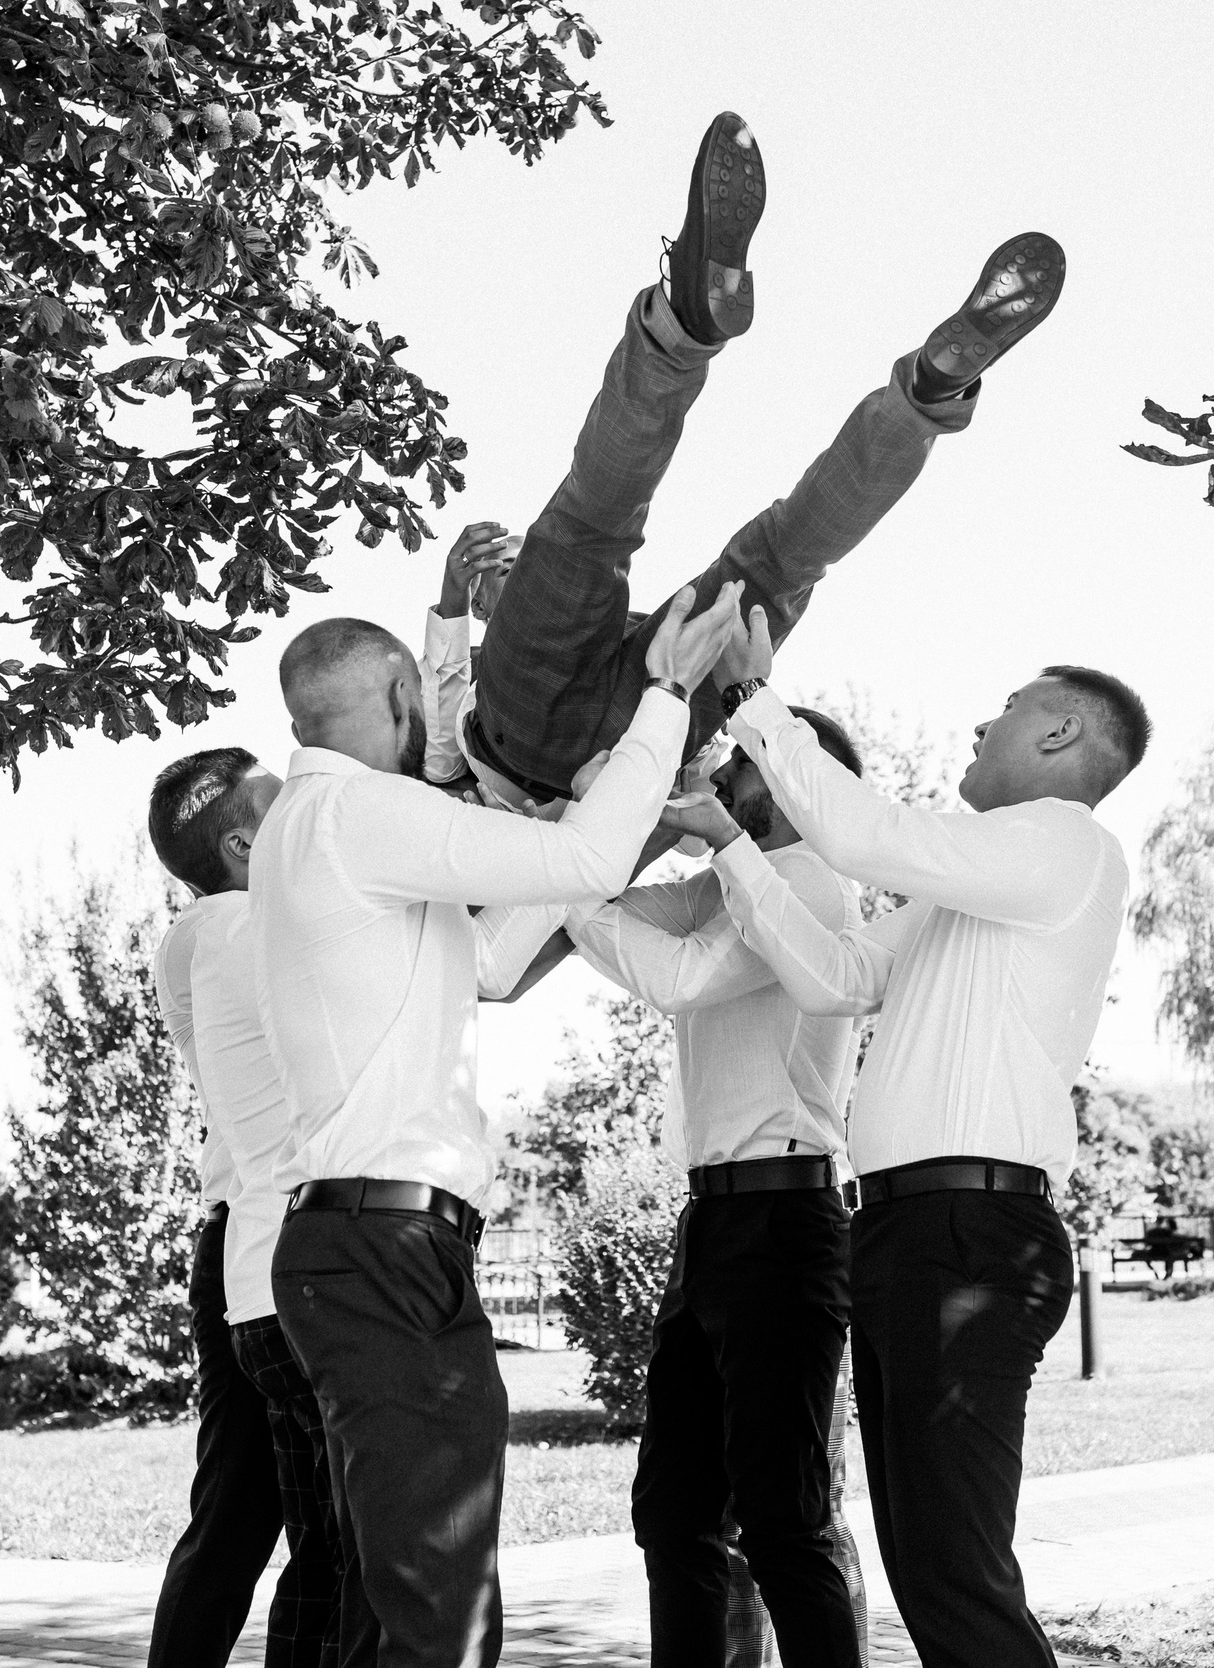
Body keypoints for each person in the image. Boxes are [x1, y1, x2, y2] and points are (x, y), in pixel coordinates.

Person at [252, 582, 743, 1668]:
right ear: (394, 692)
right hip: (381, 1250)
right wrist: (661, 702)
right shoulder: (362, 814)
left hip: (368, 1244)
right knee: (438, 1603)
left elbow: (486, 960)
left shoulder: (318, 828)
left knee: (398, 1597)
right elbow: (574, 868)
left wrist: (625, 821)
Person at [661, 609, 1147, 1668]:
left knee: (956, 1578)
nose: (979, 726)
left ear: (1061, 738)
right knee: (932, 1572)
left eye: (1008, 712)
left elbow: (866, 834)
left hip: (970, 1233)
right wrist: (736, 846)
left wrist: (755, 700)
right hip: (905, 1236)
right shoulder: (958, 902)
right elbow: (834, 978)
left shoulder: (1065, 844)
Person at [429, 109, 1066, 811]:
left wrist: (468, 602)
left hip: (623, 748)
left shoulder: (526, 655)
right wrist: (460, 603)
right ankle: (700, 333)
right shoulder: (476, 687)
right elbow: (437, 738)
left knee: (780, 561)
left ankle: (923, 397)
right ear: (497, 613)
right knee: (598, 518)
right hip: (592, 737)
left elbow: (681, 802)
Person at [553, 710, 872, 1668]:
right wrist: (597, 841)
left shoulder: (810, 882)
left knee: (782, 1517)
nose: (719, 776)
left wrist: (567, 877)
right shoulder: (721, 887)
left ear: (783, 780)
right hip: (716, 1220)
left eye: (735, 765)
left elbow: (675, 977)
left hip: (785, 1216)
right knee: (675, 1511)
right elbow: (612, 916)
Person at [144, 748, 338, 1668]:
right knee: (282, 1523)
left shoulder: (209, 929)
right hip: (266, 1239)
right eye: (278, 797)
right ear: (239, 842)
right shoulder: (227, 926)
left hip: (244, 1237)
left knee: (245, 1512)